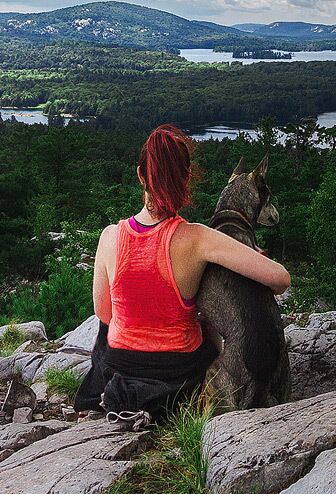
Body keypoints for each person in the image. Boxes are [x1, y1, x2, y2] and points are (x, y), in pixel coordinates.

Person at [75, 123, 290, 424]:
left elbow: (104, 313)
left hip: (120, 372)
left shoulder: (110, 237)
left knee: (106, 329)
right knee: (203, 329)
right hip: (178, 381)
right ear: (187, 178)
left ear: (141, 176)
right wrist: (250, 256)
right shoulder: (199, 239)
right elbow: (281, 280)